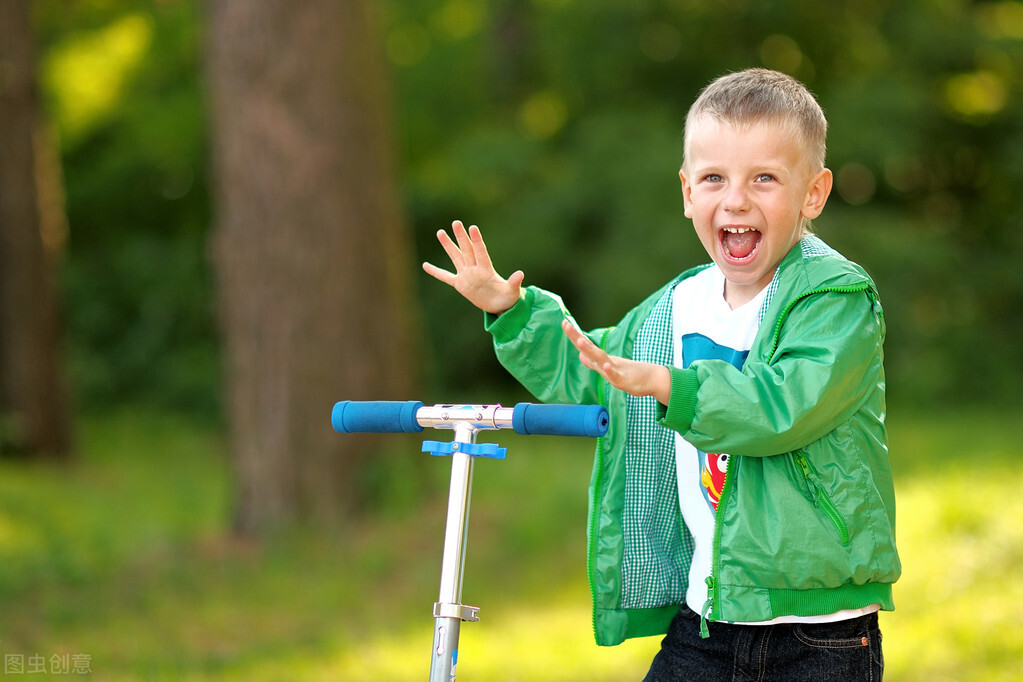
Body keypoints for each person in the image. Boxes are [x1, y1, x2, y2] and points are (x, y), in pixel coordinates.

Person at [422, 68, 901, 681]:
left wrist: (674, 386)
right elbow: (601, 370)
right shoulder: (678, 306)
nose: (735, 200)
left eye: (764, 178)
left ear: (813, 193)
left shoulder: (835, 299)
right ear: (687, 192)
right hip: (706, 620)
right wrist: (513, 312)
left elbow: (782, 405)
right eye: (714, 178)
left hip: (820, 629)